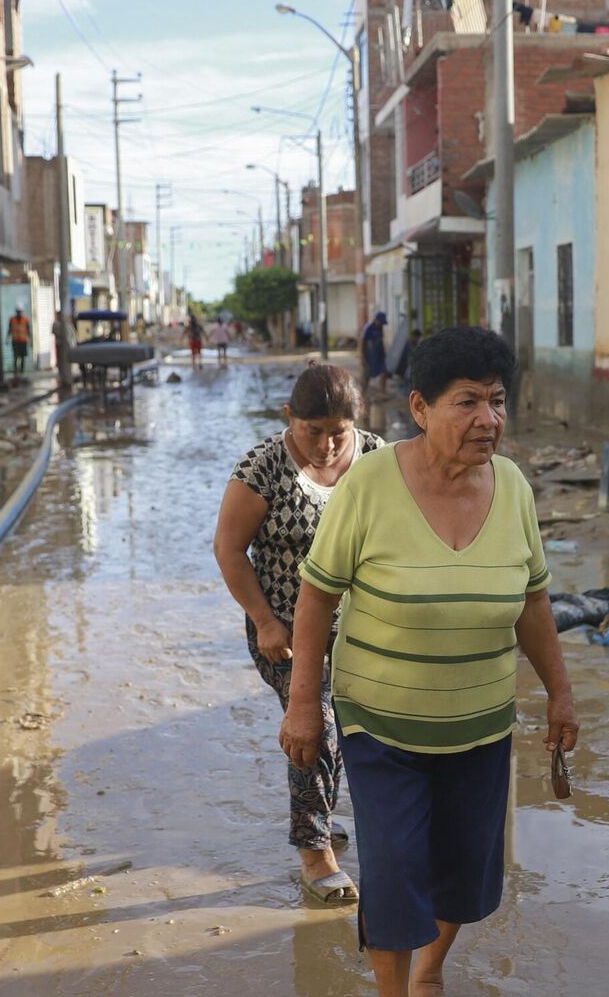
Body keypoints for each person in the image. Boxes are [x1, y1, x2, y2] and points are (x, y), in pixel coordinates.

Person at [280, 326, 577, 996]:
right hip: (381, 722)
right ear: (420, 407)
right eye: (467, 401)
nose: (488, 419)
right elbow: (317, 592)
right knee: (391, 864)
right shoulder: (370, 485)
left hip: (480, 721)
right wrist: (305, 702)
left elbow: (533, 601)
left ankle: (431, 970)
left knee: (464, 868)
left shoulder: (515, 488)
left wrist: (560, 691)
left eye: (497, 401)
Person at [215, 363, 386, 907]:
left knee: (355, 732)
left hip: (362, 634)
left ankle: (323, 814)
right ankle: (315, 852)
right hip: (286, 635)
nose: (328, 445)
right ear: (290, 418)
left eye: (339, 431)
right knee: (317, 726)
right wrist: (265, 620)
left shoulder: (379, 461)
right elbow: (227, 549)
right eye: (313, 431)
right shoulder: (262, 469)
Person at [360, 312, 390, 398]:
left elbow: (381, 342)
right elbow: (362, 343)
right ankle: (363, 393)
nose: (381, 325)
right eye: (381, 323)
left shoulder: (380, 329)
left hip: (379, 355)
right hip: (369, 356)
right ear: (376, 320)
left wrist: (384, 354)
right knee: (366, 376)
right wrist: (363, 357)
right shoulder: (368, 328)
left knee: (384, 372)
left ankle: (383, 392)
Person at [8, 308, 31, 378]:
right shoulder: (12, 320)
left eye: (20, 312)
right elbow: (9, 330)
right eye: (18, 312)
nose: (19, 313)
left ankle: (21, 372)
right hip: (15, 342)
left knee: (22, 357)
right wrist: (7, 339)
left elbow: (28, 331)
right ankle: (15, 372)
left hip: (23, 342)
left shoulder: (25, 320)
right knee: (15, 357)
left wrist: (30, 340)